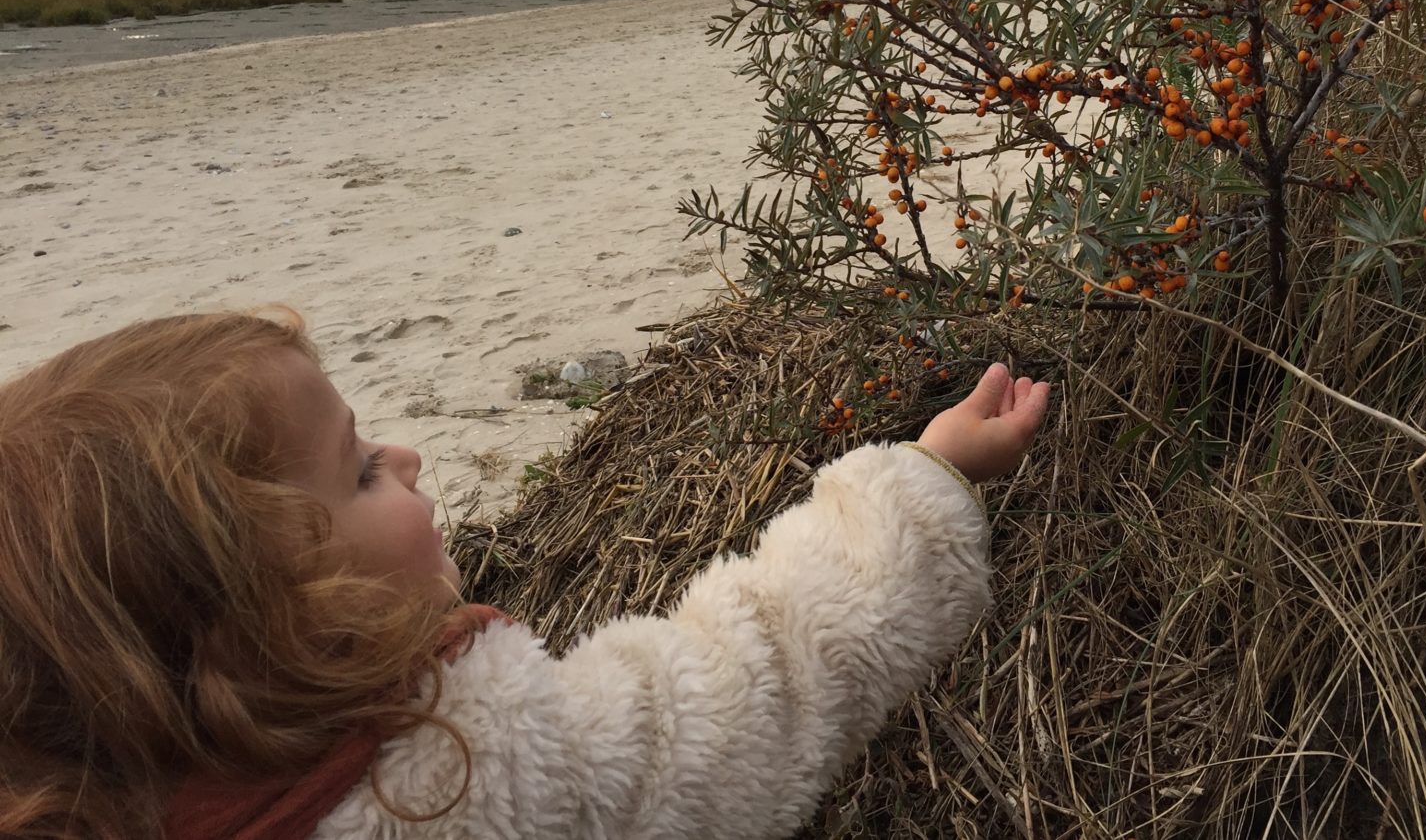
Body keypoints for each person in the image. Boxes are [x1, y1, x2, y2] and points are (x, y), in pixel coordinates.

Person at [0, 309, 1049, 840]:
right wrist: (926, 475)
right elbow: (762, 676)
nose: (405, 458)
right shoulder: (471, 778)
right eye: (362, 470)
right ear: (278, 619)